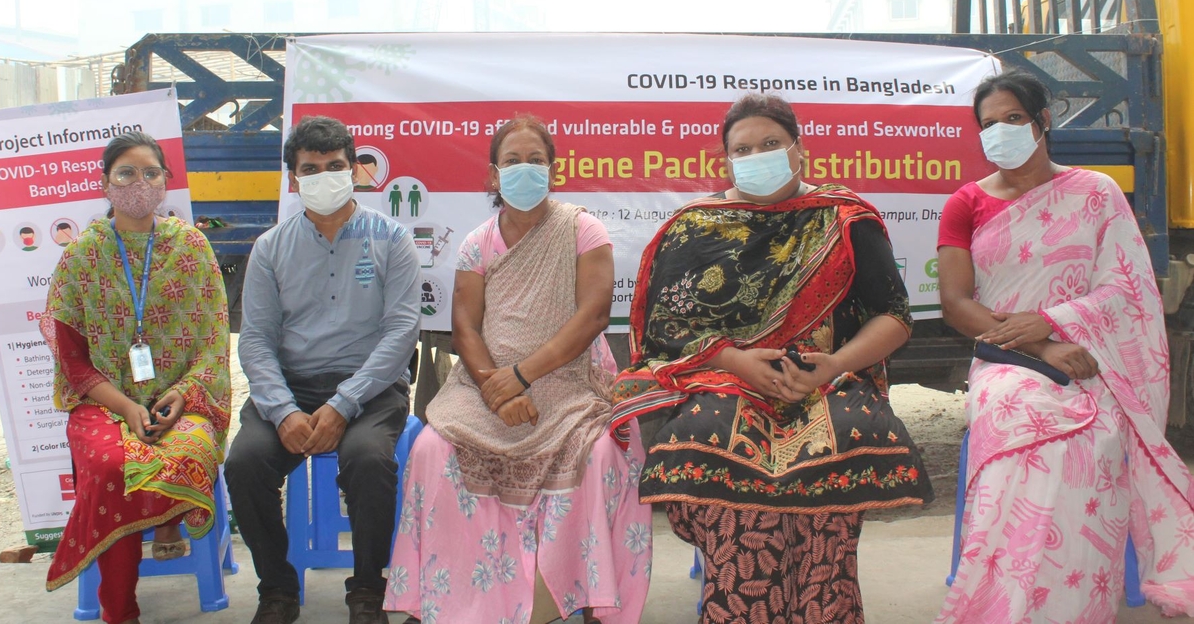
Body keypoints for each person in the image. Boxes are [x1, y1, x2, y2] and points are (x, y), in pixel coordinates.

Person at [610, 93, 932, 623]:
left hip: (827, 381)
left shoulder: (844, 219)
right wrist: (736, 362)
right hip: (723, 379)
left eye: (770, 143)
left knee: (832, 460)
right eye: (743, 148)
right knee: (722, 462)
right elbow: (667, 331)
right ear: (725, 160)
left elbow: (894, 316)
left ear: (799, 150)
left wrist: (831, 366)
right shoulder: (694, 227)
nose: (757, 154)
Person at [935, 70, 1194, 621]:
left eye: (1013, 119)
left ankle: (1072, 601)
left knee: (1094, 438)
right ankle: (1004, 598)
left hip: (1096, 359)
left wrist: (1053, 320)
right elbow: (957, 305)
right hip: (1005, 359)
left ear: (1043, 122)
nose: (1000, 131)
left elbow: (1126, 288)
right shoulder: (966, 202)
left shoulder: (1095, 192)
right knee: (1025, 415)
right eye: (988, 124)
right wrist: (1040, 344)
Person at [385, 115, 652, 624]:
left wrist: (523, 376)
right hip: (486, 382)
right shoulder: (476, 242)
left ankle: (581, 597)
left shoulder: (582, 228)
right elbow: (464, 326)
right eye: (512, 161)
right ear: (492, 175)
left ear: (553, 170)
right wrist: (496, 390)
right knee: (430, 450)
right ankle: (450, 595)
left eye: (535, 160)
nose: (524, 169)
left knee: (598, 455)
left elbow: (593, 315)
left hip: (569, 380)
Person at [226, 116, 422, 624]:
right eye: (310, 169)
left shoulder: (391, 239)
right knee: (244, 465)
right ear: (293, 179)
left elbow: (401, 333)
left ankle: (366, 592)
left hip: (372, 388)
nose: (324, 177)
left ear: (354, 169)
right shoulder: (270, 248)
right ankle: (277, 591)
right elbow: (256, 340)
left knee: (368, 460)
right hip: (291, 388)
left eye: (335, 166)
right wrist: (282, 409)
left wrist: (343, 403)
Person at [41, 131, 231, 624]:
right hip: (103, 402)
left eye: (150, 173)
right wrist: (126, 406)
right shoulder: (81, 255)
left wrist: (184, 394)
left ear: (165, 182)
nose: (139, 183)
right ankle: (119, 610)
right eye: (126, 173)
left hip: (180, 398)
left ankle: (167, 518)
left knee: (187, 450)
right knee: (110, 468)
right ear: (105, 184)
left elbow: (214, 339)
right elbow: (73, 360)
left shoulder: (191, 245)